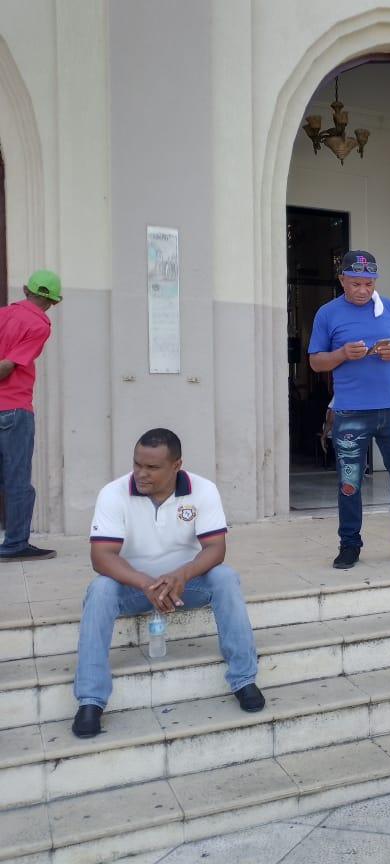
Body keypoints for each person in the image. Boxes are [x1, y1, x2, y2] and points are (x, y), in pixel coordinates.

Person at [72, 428, 263, 738]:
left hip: (185, 586)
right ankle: (90, 700)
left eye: (152, 467)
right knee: (100, 589)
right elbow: (101, 557)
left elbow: (216, 549)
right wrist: (145, 583)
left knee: (225, 577)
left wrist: (182, 575)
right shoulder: (113, 493)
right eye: (137, 464)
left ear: (176, 466)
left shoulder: (203, 490)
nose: (141, 473)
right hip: (134, 588)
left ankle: (244, 680)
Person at [308, 250, 390, 569]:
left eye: (369, 284)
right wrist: (342, 354)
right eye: (356, 284)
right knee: (350, 483)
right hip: (351, 413)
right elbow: (315, 362)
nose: (363, 290)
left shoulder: (389, 307)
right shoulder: (327, 313)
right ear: (342, 280)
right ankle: (349, 544)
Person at [0, 270, 62, 562]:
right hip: (14, 410)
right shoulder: (39, 324)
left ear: (25, 290)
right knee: (17, 480)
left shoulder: (2, 315)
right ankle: (15, 544)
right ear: (54, 302)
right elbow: (8, 366)